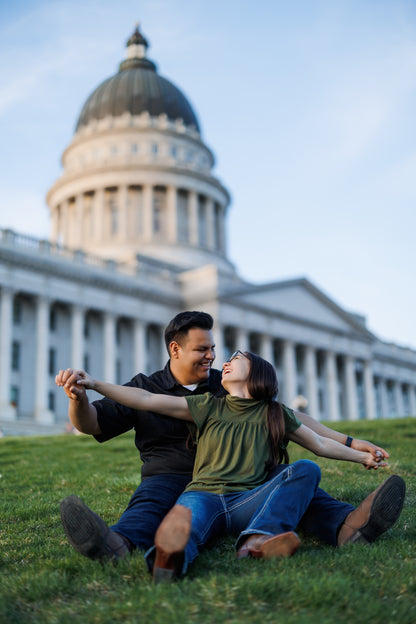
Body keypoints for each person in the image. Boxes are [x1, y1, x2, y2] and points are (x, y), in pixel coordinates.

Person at [56, 311, 405, 565]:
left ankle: (348, 526)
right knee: (150, 506)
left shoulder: (223, 387)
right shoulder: (146, 388)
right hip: (173, 477)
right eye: (202, 349)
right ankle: (118, 545)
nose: (212, 356)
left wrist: (349, 443)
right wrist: (82, 395)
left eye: (213, 348)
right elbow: (93, 423)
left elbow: (294, 419)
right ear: (175, 350)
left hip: (242, 477)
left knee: (296, 483)